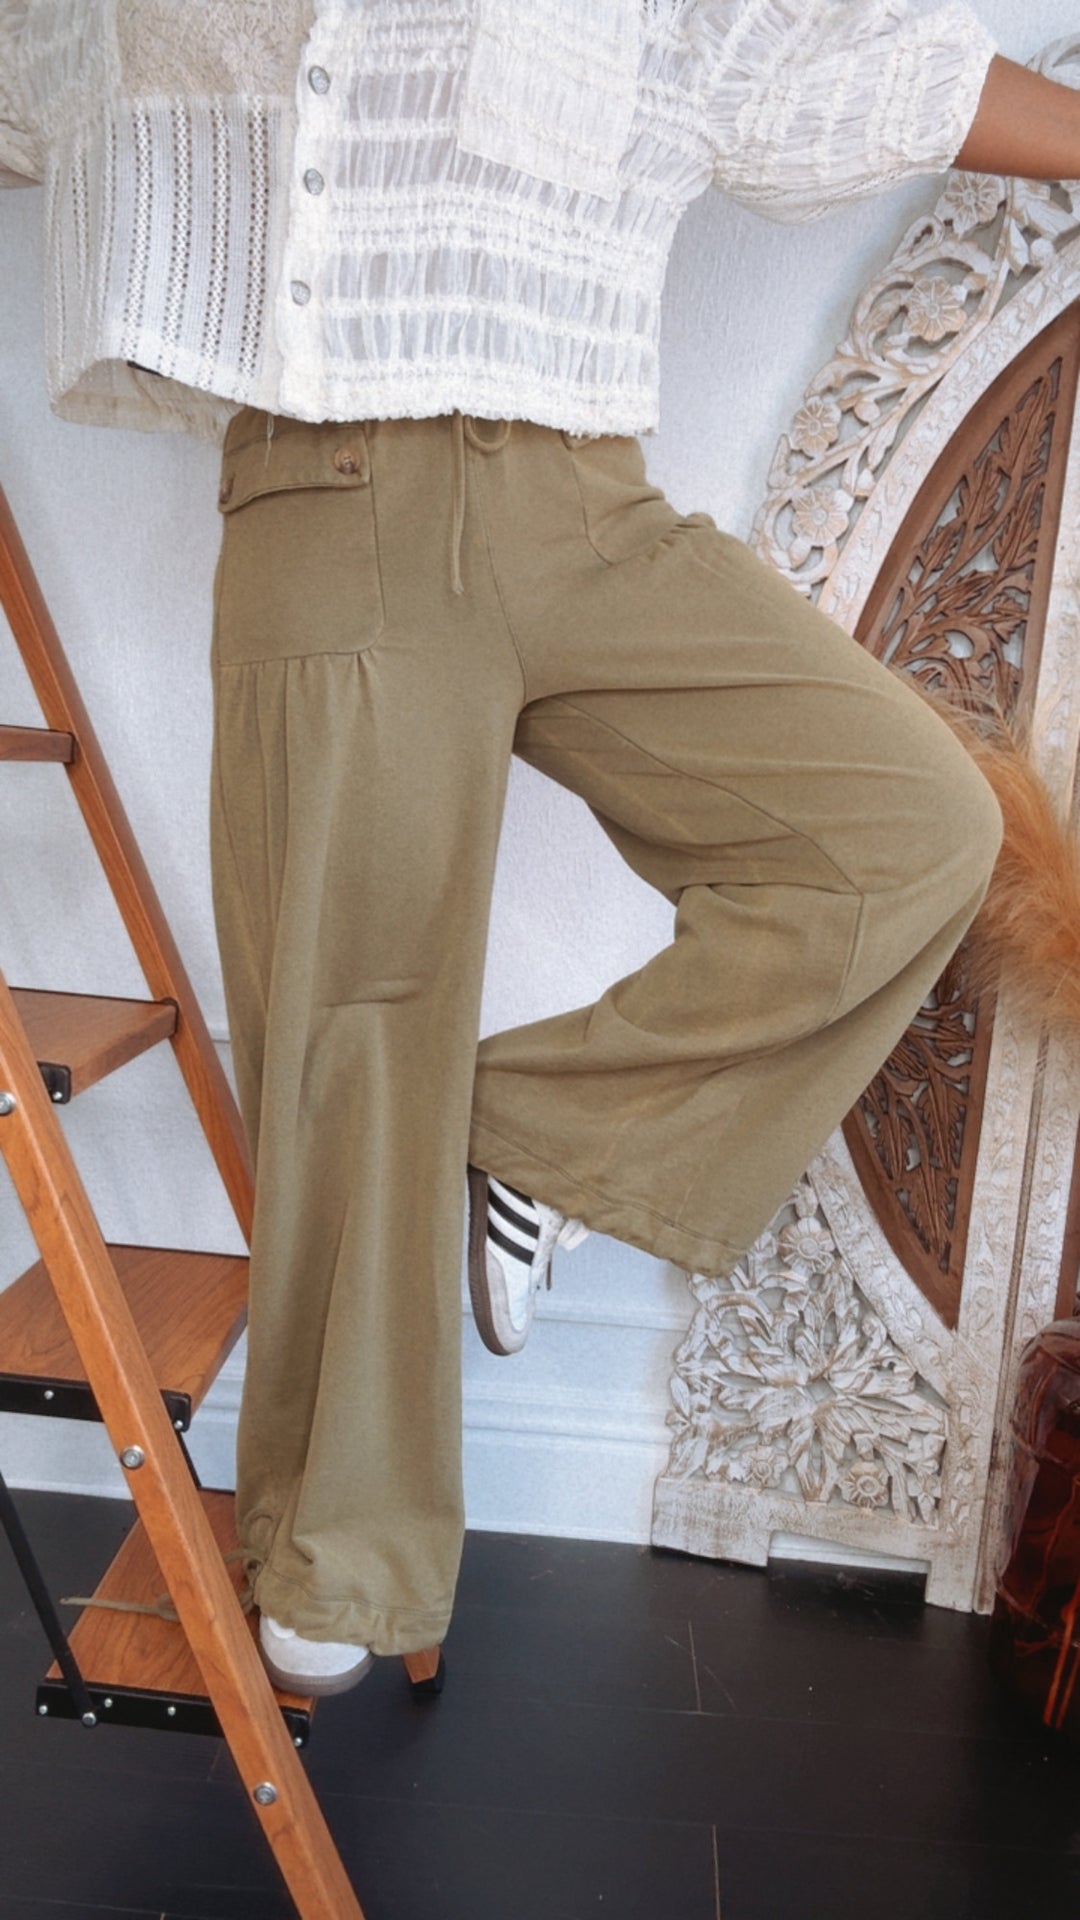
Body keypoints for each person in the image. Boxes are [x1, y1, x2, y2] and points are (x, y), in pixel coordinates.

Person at [2, 0, 1077, 1698]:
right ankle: (338, 1551)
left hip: (583, 492)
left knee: (905, 829)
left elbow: (834, 64)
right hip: (334, 491)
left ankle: (527, 1147)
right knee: (357, 1027)